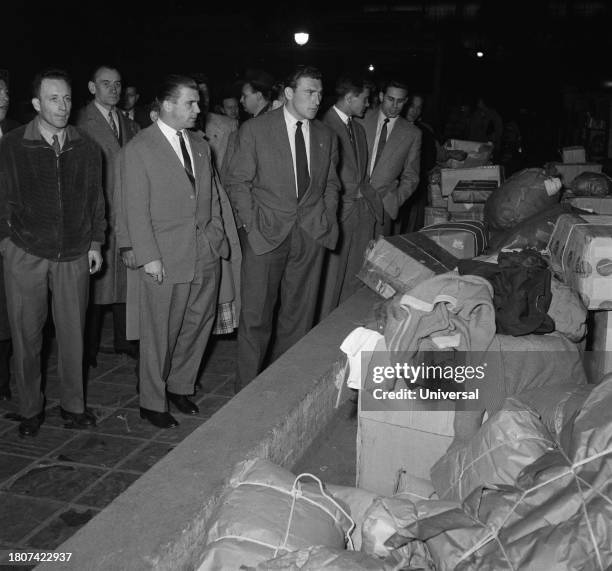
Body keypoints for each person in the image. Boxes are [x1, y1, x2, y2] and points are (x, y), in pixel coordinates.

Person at [120, 74, 234, 428]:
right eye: (190, 103)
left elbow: (212, 196)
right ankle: (152, 401)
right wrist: (148, 256)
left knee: (198, 324)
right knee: (159, 332)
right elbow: (133, 208)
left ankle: (180, 386)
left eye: (197, 102)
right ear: (167, 105)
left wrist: (215, 233)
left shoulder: (201, 145)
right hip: (164, 255)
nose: (198, 109)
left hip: (205, 250)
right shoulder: (139, 148)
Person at [0, 68, 105, 436]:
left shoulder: (87, 147)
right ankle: (30, 409)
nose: (62, 106)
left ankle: (74, 406)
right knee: (27, 336)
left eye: (66, 98)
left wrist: (95, 243)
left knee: (74, 335)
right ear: (35, 104)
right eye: (52, 99)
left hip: (74, 253)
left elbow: (96, 202)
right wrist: (7, 246)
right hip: (25, 253)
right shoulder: (13, 145)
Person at [226, 65, 340, 391]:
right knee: (256, 319)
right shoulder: (256, 131)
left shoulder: (325, 136)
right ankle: (246, 393)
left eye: (320, 92)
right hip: (266, 235)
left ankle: (283, 391)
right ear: (289, 93)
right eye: (309, 92)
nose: (317, 99)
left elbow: (331, 185)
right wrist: (253, 227)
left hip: (309, 235)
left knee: (298, 319)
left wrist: (324, 217)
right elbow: (237, 183)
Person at [78, 65, 140, 369]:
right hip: (97, 211)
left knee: (122, 281)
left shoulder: (127, 122)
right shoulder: (81, 121)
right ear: (92, 87)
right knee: (94, 286)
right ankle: (87, 349)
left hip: (124, 210)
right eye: (106, 84)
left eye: (117, 84)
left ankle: (123, 340)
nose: (113, 89)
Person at [318, 76, 377, 318]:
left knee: (354, 274)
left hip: (360, 214)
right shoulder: (323, 126)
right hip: (337, 213)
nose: (368, 103)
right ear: (350, 98)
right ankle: (322, 329)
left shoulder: (358, 130)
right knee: (331, 279)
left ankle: (342, 323)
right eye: (364, 99)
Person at [359, 79, 421, 236]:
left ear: (406, 101)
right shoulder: (361, 119)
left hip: (384, 206)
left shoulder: (412, 133)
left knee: (376, 258)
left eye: (400, 101)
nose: (395, 106)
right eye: (390, 99)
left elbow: (411, 176)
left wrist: (395, 201)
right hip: (353, 201)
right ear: (381, 96)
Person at [0, 75, 19, 400]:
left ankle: (3, 380)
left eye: (3, 92)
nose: (2, 97)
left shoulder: (17, 134)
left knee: (6, 313)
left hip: (13, 239)